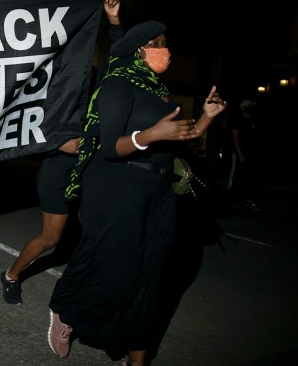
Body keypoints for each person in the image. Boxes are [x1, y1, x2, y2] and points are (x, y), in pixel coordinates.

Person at [47, 20, 227, 365]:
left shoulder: (157, 89)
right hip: (114, 188)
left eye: (166, 43)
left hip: (158, 190)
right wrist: (152, 135)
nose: (166, 51)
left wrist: (205, 118)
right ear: (140, 49)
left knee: (150, 278)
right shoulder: (117, 85)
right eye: (159, 43)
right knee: (115, 275)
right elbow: (110, 147)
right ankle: (66, 310)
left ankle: (137, 359)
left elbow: (179, 137)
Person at [1, 0, 123, 305]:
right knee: (51, 239)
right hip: (58, 170)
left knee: (96, 234)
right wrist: (56, 143)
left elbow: (120, 58)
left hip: (89, 170)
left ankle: (86, 288)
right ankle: (11, 275)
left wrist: (113, 19)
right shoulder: (48, 88)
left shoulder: (96, 83)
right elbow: (26, 127)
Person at [227, 99, 262, 211]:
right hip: (239, 153)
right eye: (248, 106)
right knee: (235, 177)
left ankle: (247, 200)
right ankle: (231, 201)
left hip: (251, 154)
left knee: (249, 178)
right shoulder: (238, 120)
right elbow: (235, 138)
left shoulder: (252, 121)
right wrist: (240, 153)